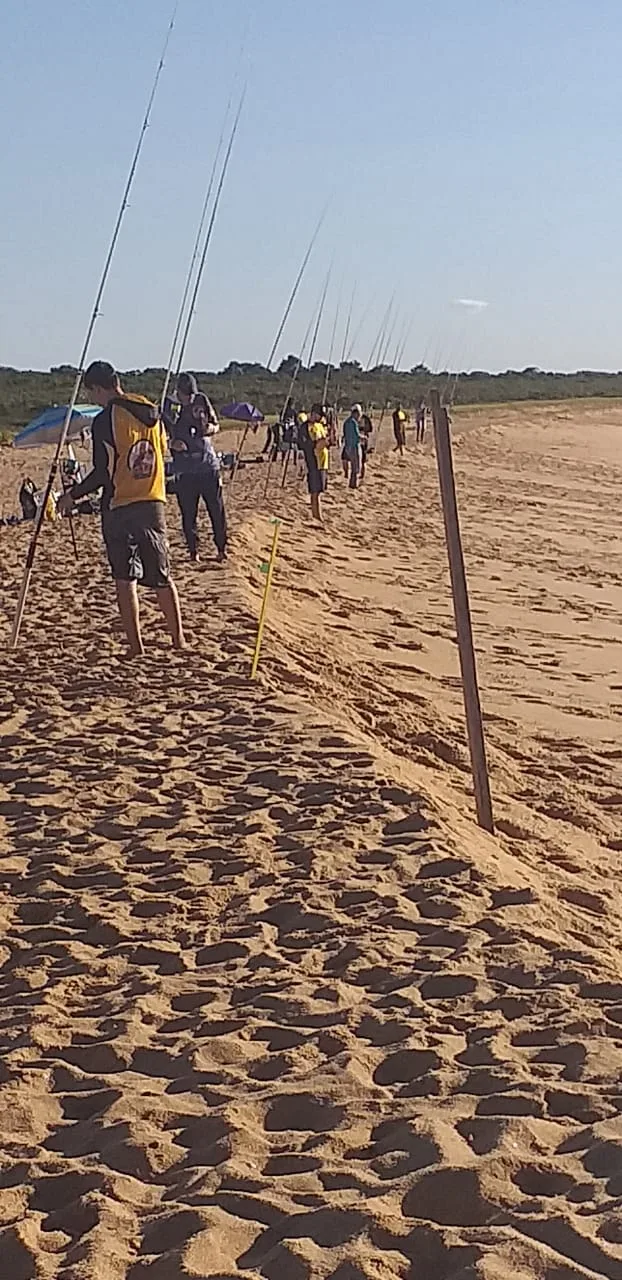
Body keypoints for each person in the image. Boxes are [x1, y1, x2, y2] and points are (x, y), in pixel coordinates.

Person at [58, 361, 185, 658]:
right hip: (154, 500)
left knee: (124, 577)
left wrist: (72, 495)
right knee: (162, 575)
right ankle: (179, 640)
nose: (93, 399)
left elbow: (103, 472)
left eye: (92, 393)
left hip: (119, 505)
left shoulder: (106, 420)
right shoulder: (151, 411)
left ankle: (136, 648)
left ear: (99, 388)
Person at [164, 372, 228, 564]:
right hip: (184, 469)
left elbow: (216, 425)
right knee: (188, 513)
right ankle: (194, 551)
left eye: (192, 394)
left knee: (216, 509)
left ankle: (221, 548)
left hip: (207, 465)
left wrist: (210, 429)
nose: (190, 398)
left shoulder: (201, 400)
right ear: (179, 392)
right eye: (186, 394)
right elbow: (160, 434)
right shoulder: (168, 406)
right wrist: (171, 444)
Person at [300, 402, 329, 521]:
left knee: (320, 489)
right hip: (313, 461)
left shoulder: (320, 425)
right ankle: (316, 515)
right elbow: (303, 443)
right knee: (314, 490)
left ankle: (318, 513)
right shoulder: (305, 427)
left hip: (322, 462)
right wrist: (316, 444)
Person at [341, 404, 362, 489]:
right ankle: (354, 484)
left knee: (353, 465)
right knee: (356, 466)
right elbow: (357, 435)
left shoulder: (346, 422)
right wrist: (363, 438)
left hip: (348, 447)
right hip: (354, 446)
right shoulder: (353, 422)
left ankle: (352, 483)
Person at [359, 411, 373, 480]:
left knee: (363, 458)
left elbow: (370, 429)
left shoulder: (365, 418)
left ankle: (362, 474)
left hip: (363, 440)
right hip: (360, 439)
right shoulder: (365, 418)